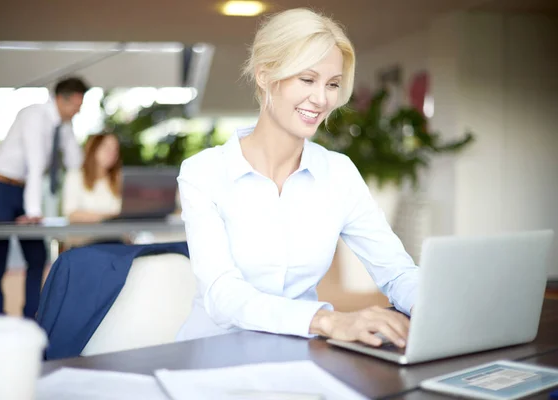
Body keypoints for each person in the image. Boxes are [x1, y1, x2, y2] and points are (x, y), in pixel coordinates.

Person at [176, 8, 419, 348]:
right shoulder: (203, 173)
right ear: (264, 76)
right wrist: (327, 320)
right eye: (307, 79)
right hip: (215, 354)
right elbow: (223, 295)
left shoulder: (338, 173)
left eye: (332, 84)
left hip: (301, 353)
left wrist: (438, 308)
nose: (321, 99)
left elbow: (396, 272)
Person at [0, 77, 89, 318]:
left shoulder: (64, 125)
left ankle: (31, 316)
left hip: (24, 189)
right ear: (61, 99)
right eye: (76, 105)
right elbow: (36, 162)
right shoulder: (34, 115)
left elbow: (75, 162)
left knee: (37, 256)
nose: (78, 111)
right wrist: (32, 212)